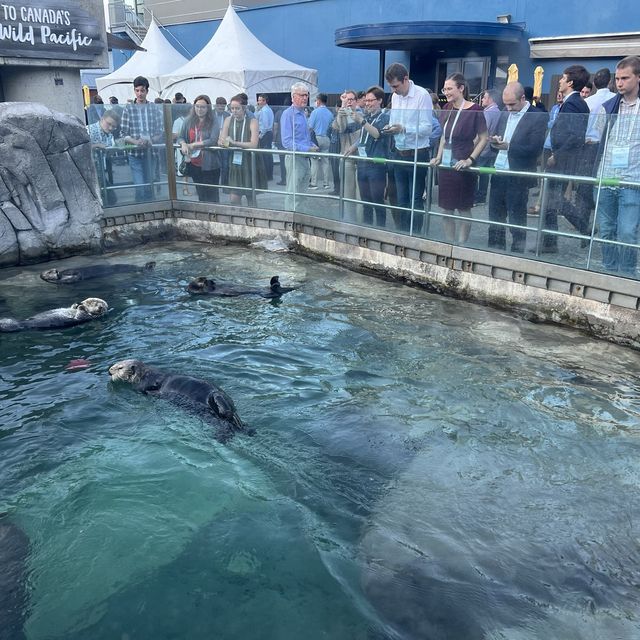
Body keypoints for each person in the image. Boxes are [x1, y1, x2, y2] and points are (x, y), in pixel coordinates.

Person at [487, 83, 547, 252]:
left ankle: (517, 252)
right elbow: (496, 144)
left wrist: (508, 146)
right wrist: (495, 142)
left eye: (512, 104)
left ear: (523, 98)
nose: (508, 108)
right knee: (495, 217)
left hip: (519, 174)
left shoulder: (538, 116)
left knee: (517, 218)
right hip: (499, 171)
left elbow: (535, 149)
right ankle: (494, 251)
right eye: (505, 104)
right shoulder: (505, 113)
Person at [594, 55, 640, 275]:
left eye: (625, 78)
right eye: (618, 78)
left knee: (628, 232)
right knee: (606, 231)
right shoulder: (608, 107)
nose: (619, 83)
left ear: (638, 78)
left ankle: (628, 274)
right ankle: (610, 272)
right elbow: (598, 138)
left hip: (632, 181)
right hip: (606, 177)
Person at [430, 72, 487, 244]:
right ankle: (449, 242)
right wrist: (438, 157)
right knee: (446, 209)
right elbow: (443, 137)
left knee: (463, 207)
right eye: (444, 89)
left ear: (461, 88)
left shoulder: (475, 110)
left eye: (449, 88)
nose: (446, 92)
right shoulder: (447, 108)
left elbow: (484, 137)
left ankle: (462, 244)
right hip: (447, 165)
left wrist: (470, 160)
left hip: (463, 164)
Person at [542, 64, 590, 252]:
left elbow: (575, 135)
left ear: (570, 82)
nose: (560, 81)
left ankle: (581, 228)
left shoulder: (572, 103)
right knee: (553, 200)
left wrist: (556, 155)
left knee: (552, 200)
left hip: (562, 159)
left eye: (563, 78)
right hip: (565, 158)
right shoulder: (576, 102)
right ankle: (551, 242)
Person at [383, 62, 433, 232]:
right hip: (399, 152)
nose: (393, 90)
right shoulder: (395, 97)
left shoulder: (422, 95)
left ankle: (416, 235)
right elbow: (394, 121)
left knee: (416, 199)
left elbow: (428, 128)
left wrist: (404, 129)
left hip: (418, 153)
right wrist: (391, 128)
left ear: (406, 79)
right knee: (401, 198)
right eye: (391, 87)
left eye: (395, 86)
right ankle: (404, 233)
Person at [345, 85, 391, 227]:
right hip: (363, 163)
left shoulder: (385, 117)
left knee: (377, 200)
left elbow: (377, 134)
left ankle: (380, 230)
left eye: (371, 101)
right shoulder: (368, 116)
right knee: (365, 200)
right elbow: (364, 137)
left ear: (380, 101)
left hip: (376, 164)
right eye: (366, 100)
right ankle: (367, 229)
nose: (367, 103)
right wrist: (353, 147)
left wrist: (362, 121)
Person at [119, 75, 164, 202]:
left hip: (150, 152)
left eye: (142, 90)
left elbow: (160, 131)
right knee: (139, 187)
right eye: (137, 90)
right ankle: (140, 210)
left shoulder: (153, 108)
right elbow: (123, 134)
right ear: (134, 91)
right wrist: (136, 142)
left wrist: (151, 140)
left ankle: (150, 214)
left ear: (147, 91)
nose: (139, 93)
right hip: (134, 153)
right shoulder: (128, 108)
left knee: (150, 185)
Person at [219, 94, 266, 207]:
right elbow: (221, 140)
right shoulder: (227, 120)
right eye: (232, 108)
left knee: (250, 196)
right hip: (234, 163)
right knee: (234, 198)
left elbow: (254, 144)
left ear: (244, 108)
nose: (234, 111)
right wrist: (223, 143)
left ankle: (253, 219)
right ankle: (239, 219)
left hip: (249, 161)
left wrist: (234, 143)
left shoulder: (252, 121)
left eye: (237, 108)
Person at [280, 82, 318, 210]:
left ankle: (299, 219)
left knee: (301, 193)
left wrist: (311, 145)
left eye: (306, 95)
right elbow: (286, 142)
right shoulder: (288, 114)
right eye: (301, 95)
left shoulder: (303, 113)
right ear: (293, 97)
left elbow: (302, 138)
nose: (305, 98)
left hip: (304, 158)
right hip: (294, 158)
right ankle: (290, 221)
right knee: (293, 193)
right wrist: (307, 148)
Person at [177, 95, 222, 203]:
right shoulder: (188, 121)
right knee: (201, 194)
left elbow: (213, 140)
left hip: (210, 164)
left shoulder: (213, 121)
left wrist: (194, 145)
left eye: (203, 107)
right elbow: (180, 137)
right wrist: (183, 143)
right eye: (197, 106)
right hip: (194, 163)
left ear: (208, 108)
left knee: (212, 195)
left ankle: (214, 216)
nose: (199, 109)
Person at [332, 89, 362, 218]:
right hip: (346, 157)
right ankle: (349, 221)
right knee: (347, 193)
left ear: (356, 101)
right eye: (346, 99)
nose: (349, 102)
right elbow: (339, 128)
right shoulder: (342, 114)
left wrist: (355, 146)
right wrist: (341, 111)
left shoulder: (361, 114)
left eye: (351, 99)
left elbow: (364, 135)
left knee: (360, 196)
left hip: (360, 158)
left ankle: (361, 223)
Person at [86, 110, 120, 205]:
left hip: (100, 171)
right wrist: (95, 146)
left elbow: (109, 151)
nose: (110, 128)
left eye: (113, 126)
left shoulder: (109, 135)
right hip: (88, 171)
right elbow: (79, 149)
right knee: (109, 199)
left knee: (109, 198)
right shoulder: (88, 130)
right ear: (102, 119)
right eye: (109, 124)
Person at [475, 88, 502, 205]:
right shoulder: (499, 112)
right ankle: (482, 196)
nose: (482, 99)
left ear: (490, 99)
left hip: (483, 147)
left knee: (475, 172)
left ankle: (475, 197)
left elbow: (481, 131)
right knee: (485, 173)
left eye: (484, 97)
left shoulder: (487, 113)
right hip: (492, 147)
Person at [307, 93, 333, 190]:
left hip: (316, 138)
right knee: (325, 162)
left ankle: (314, 183)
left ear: (318, 100)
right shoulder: (330, 113)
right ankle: (326, 183)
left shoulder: (315, 112)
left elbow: (309, 127)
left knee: (314, 161)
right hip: (326, 138)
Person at [256, 94, 274, 181]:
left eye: (260, 100)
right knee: (268, 155)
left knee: (265, 155)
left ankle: (267, 175)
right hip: (268, 133)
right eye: (258, 100)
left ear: (265, 101)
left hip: (265, 133)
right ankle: (269, 174)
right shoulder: (267, 109)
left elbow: (265, 125)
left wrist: (260, 135)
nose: (258, 102)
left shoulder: (264, 111)